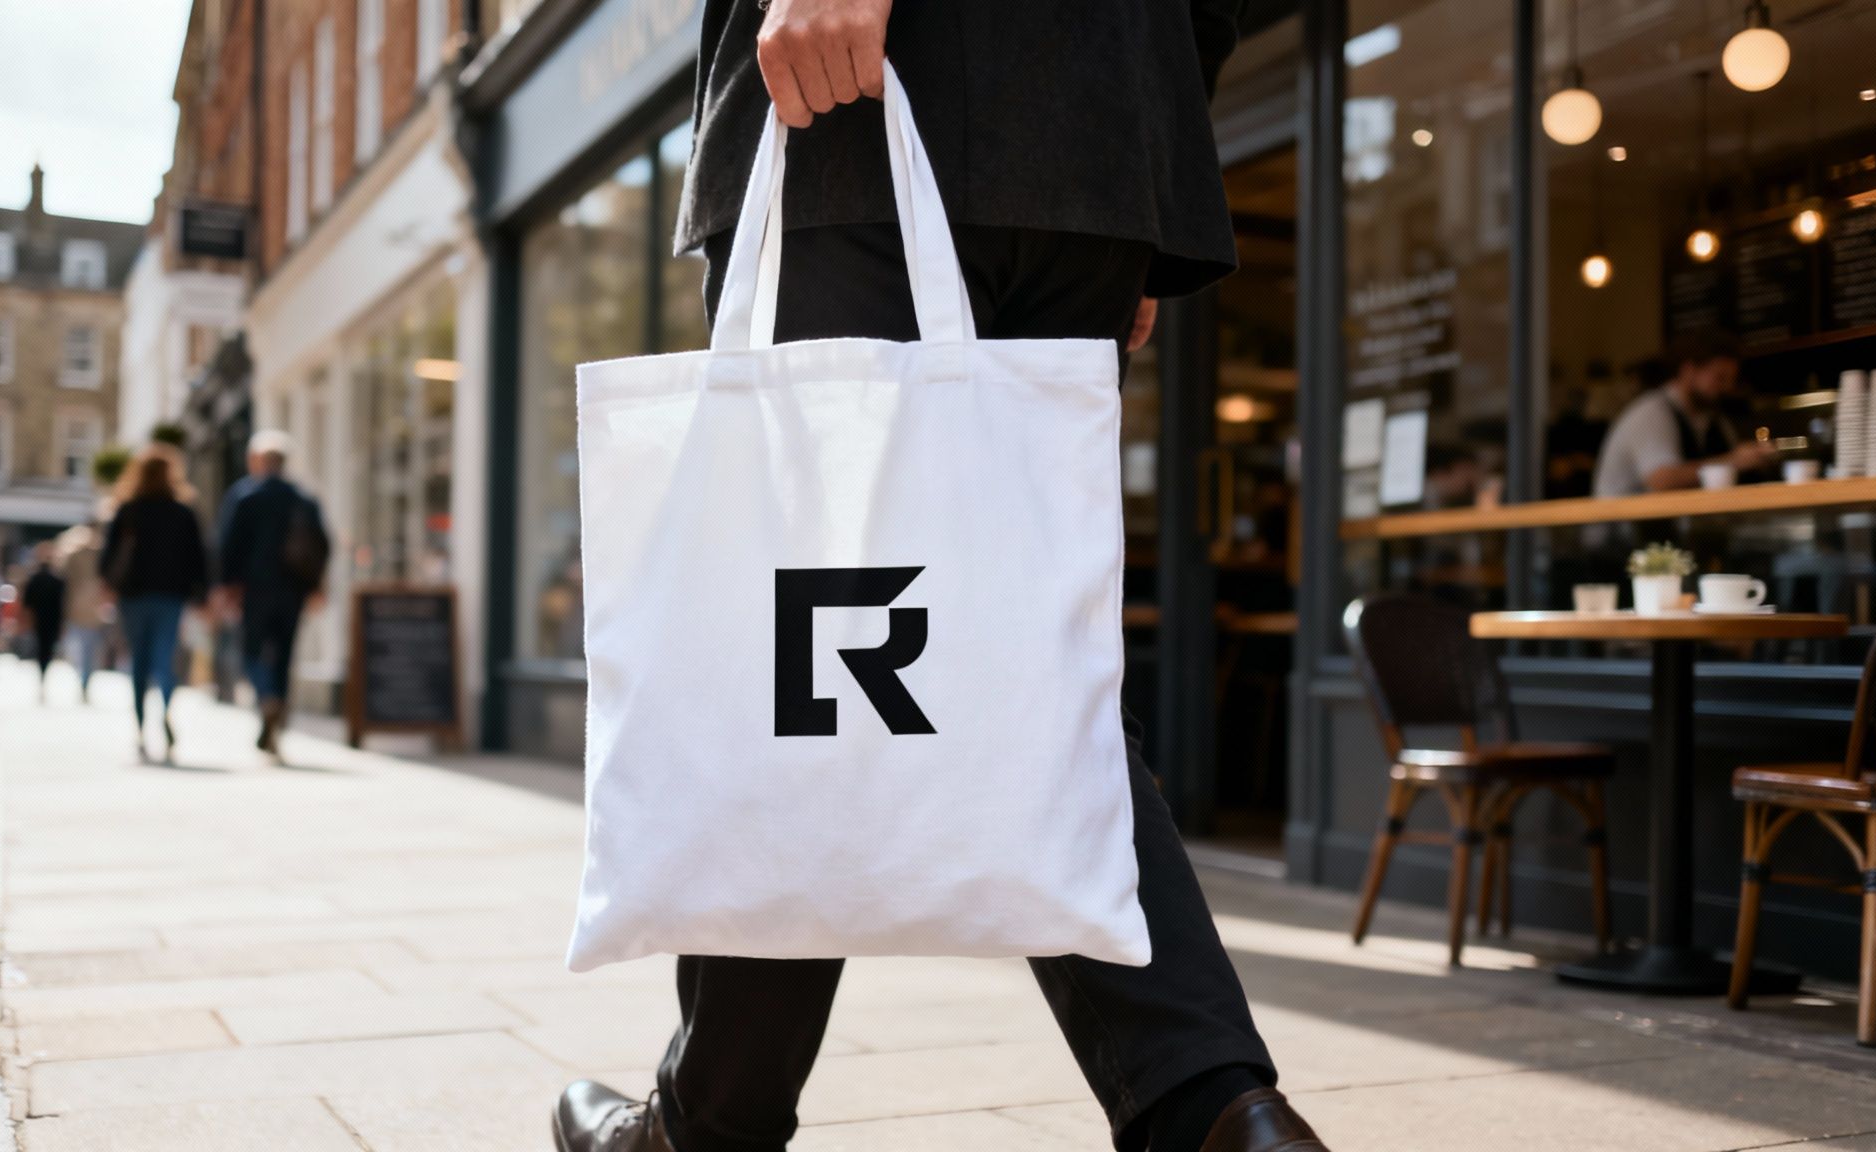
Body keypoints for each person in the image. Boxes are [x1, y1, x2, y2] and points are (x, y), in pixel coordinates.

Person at [552, 4, 1328, 1152]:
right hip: (1096, 137)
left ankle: (707, 1128)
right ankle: (1217, 1115)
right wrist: (1132, 154)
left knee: (800, 666)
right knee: (1015, 677)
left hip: (859, 101)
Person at [216, 430, 330, 760]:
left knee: (251, 650)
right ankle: (278, 715)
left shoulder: (245, 496)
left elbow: (229, 545)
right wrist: (316, 586)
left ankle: (266, 697)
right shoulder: (303, 498)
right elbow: (321, 545)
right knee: (284, 654)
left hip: (255, 589)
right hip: (293, 590)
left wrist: (228, 586)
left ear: (258, 461)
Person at [101, 446, 208, 762]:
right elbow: (198, 558)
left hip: (133, 595)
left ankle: (140, 726)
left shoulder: (128, 510)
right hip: (170, 596)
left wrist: (109, 586)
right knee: (164, 658)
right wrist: (201, 594)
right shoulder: (182, 512)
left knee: (139, 661)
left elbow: (108, 558)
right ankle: (166, 710)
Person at [1592, 330, 1776, 498]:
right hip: (1621, 530)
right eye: (1720, 378)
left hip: (1674, 529)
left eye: (1730, 380)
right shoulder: (1652, 413)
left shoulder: (1713, 419)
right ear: (1689, 370)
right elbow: (1662, 480)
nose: (1727, 387)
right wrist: (1735, 461)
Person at [56, 522, 111, 702]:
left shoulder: (73, 552)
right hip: (93, 607)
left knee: (78, 647)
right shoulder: (100, 553)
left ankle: (83, 677)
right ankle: (85, 678)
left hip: (78, 606)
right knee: (89, 649)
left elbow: (63, 578)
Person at [21, 542, 67, 702]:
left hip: (42, 620)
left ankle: (42, 675)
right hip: (48, 620)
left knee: (43, 649)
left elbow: (27, 603)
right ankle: (42, 674)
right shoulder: (55, 580)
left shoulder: (39, 578)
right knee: (45, 650)